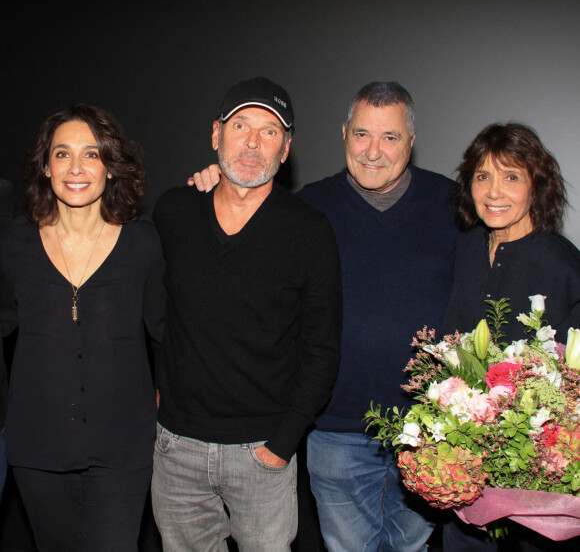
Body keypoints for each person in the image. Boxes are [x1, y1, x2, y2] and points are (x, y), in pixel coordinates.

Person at [191, 81, 459, 552]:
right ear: (343, 135)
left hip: (431, 432)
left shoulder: (455, 206)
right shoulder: (304, 208)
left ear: (412, 141)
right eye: (361, 134)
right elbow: (233, 234)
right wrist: (212, 180)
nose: (373, 151)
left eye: (390, 137)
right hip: (335, 431)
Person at [151, 77, 342, 552]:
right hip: (176, 449)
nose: (253, 143)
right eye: (240, 126)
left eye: (270, 131)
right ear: (216, 134)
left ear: (287, 147)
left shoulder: (309, 231)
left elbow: (321, 349)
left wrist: (281, 445)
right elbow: (155, 318)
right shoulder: (174, 211)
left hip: (262, 452)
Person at [0, 104, 164, 552]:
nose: (76, 168)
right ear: (45, 166)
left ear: (110, 167)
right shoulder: (14, 244)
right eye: (62, 154)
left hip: (124, 449)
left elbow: (168, 334)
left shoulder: (143, 243)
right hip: (37, 447)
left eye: (91, 154)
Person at [441, 122, 580, 552]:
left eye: (511, 176)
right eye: (483, 176)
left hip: (536, 477)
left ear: (536, 187)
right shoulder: (464, 247)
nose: (494, 192)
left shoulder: (563, 264)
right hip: (466, 464)